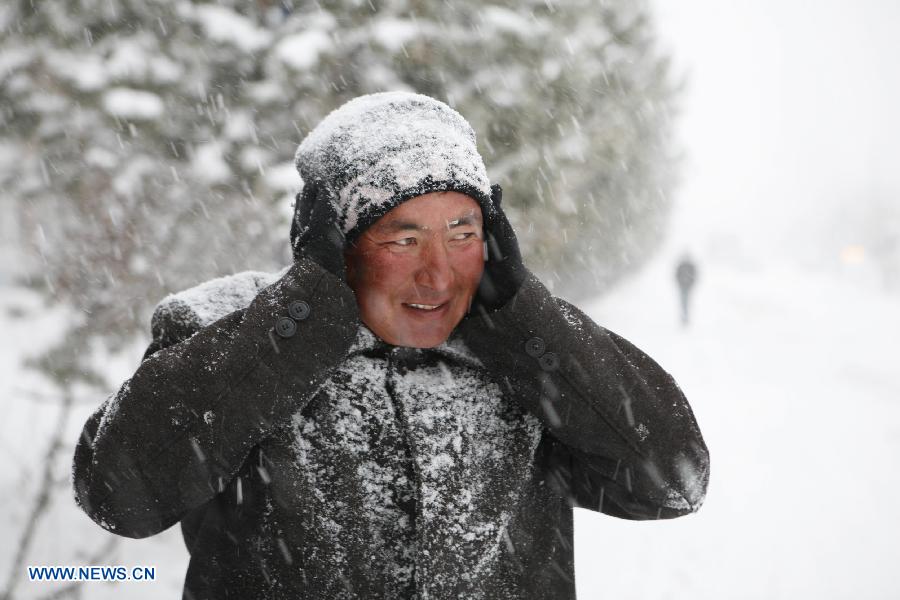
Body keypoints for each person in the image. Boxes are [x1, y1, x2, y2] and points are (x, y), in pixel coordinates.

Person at [72, 92, 709, 599]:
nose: (437, 274)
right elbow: (119, 495)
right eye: (402, 240)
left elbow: (673, 481)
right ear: (329, 241)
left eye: (462, 233)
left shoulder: (522, 352)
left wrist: (522, 315)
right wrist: (300, 319)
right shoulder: (226, 328)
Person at [675, 253, 698, 326]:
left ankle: (685, 316)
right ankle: (684, 316)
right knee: (684, 301)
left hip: (686, 286)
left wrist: (690, 284)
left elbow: (694, 276)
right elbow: (677, 275)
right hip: (683, 286)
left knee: (685, 301)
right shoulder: (685, 266)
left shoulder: (687, 266)